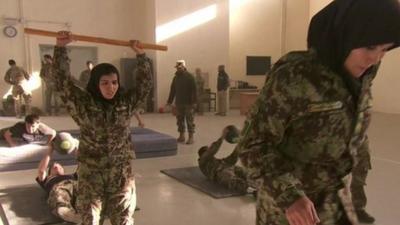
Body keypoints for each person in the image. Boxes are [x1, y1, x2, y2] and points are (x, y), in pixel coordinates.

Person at [237, 0, 400, 225]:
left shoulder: (362, 75)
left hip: (336, 205)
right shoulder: (296, 77)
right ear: (345, 35)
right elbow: (252, 145)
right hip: (291, 213)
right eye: (370, 47)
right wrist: (290, 197)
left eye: (384, 49)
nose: (375, 59)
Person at [53, 31, 152, 225]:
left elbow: (144, 86)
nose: (111, 87)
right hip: (91, 174)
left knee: (123, 220)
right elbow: (61, 82)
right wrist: (60, 48)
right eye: (105, 83)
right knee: (89, 220)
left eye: (114, 82)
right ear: (96, 84)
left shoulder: (126, 102)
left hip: (121, 174)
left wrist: (141, 57)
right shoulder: (83, 103)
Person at [36, 133, 80, 223]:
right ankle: (67, 212)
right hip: (61, 189)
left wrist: (75, 145)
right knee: (58, 191)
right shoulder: (48, 180)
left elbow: (81, 162)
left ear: (63, 171)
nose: (56, 166)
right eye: (53, 167)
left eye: (59, 166)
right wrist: (50, 150)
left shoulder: (73, 176)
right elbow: (41, 170)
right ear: (49, 174)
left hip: (77, 186)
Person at [198, 125, 253, 194]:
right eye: (207, 149)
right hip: (219, 172)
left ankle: (260, 184)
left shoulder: (214, 161)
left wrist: (240, 143)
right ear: (203, 154)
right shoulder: (203, 161)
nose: (209, 149)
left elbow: (232, 158)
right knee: (233, 181)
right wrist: (222, 137)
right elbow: (212, 150)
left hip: (226, 166)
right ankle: (252, 190)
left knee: (246, 173)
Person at [166, 60, 197, 144]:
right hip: (179, 102)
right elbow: (173, 90)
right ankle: (181, 136)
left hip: (188, 103)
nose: (178, 69)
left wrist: (194, 102)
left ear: (184, 67)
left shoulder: (190, 77)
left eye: (180, 67)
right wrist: (169, 101)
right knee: (180, 120)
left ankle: (191, 137)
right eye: (177, 68)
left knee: (189, 120)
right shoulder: (175, 78)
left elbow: (194, 90)